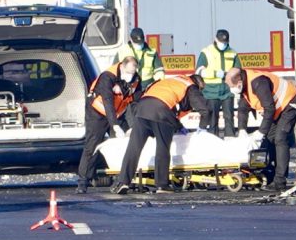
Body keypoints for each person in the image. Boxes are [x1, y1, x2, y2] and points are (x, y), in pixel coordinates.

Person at [112, 74, 211, 195]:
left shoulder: (168, 81)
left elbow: (147, 96)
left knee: (133, 148)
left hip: (142, 109)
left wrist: (179, 126)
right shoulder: (190, 86)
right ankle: (162, 184)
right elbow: (205, 109)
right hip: (161, 113)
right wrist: (202, 127)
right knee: (162, 148)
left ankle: (123, 181)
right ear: (197, 84)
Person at [224, 67, 296, 192]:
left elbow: (269, 108)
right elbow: (243, 108)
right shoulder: (245, 86)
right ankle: (269, 176)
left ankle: (280, 182)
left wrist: (261, 132)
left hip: (290, 102)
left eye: (231, 86)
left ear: (238, 82)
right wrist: (242, 130)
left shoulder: (258, 82)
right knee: (268, 141)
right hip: (278, 110)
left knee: (280, 139)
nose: (230, 89)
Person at [76, 56, 141, 194]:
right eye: (128, 72)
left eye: (133, 73)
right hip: (97, 113)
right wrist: (115, 126)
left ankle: (123, 179)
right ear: (122, 67)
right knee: (92, 144)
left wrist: (133, 125)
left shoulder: (135, 79)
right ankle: (83, 181)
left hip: (118, 113)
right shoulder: (107, 77)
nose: (131, 76)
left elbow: (135, 102)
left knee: (127, 142)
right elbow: (107, 102)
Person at [195, 29, 241, 137]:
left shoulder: (233, 53)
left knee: (229, 118)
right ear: (215, 39)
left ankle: (230, 140)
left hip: (227, 90)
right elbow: (199, 71)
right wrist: (216, 73)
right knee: (212, 119)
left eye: (225, 42)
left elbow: (238, 70)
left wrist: (235, 82)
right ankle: (213, 143)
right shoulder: (206, 52)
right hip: (211, 90)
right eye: (221, 42)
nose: (223, 44)